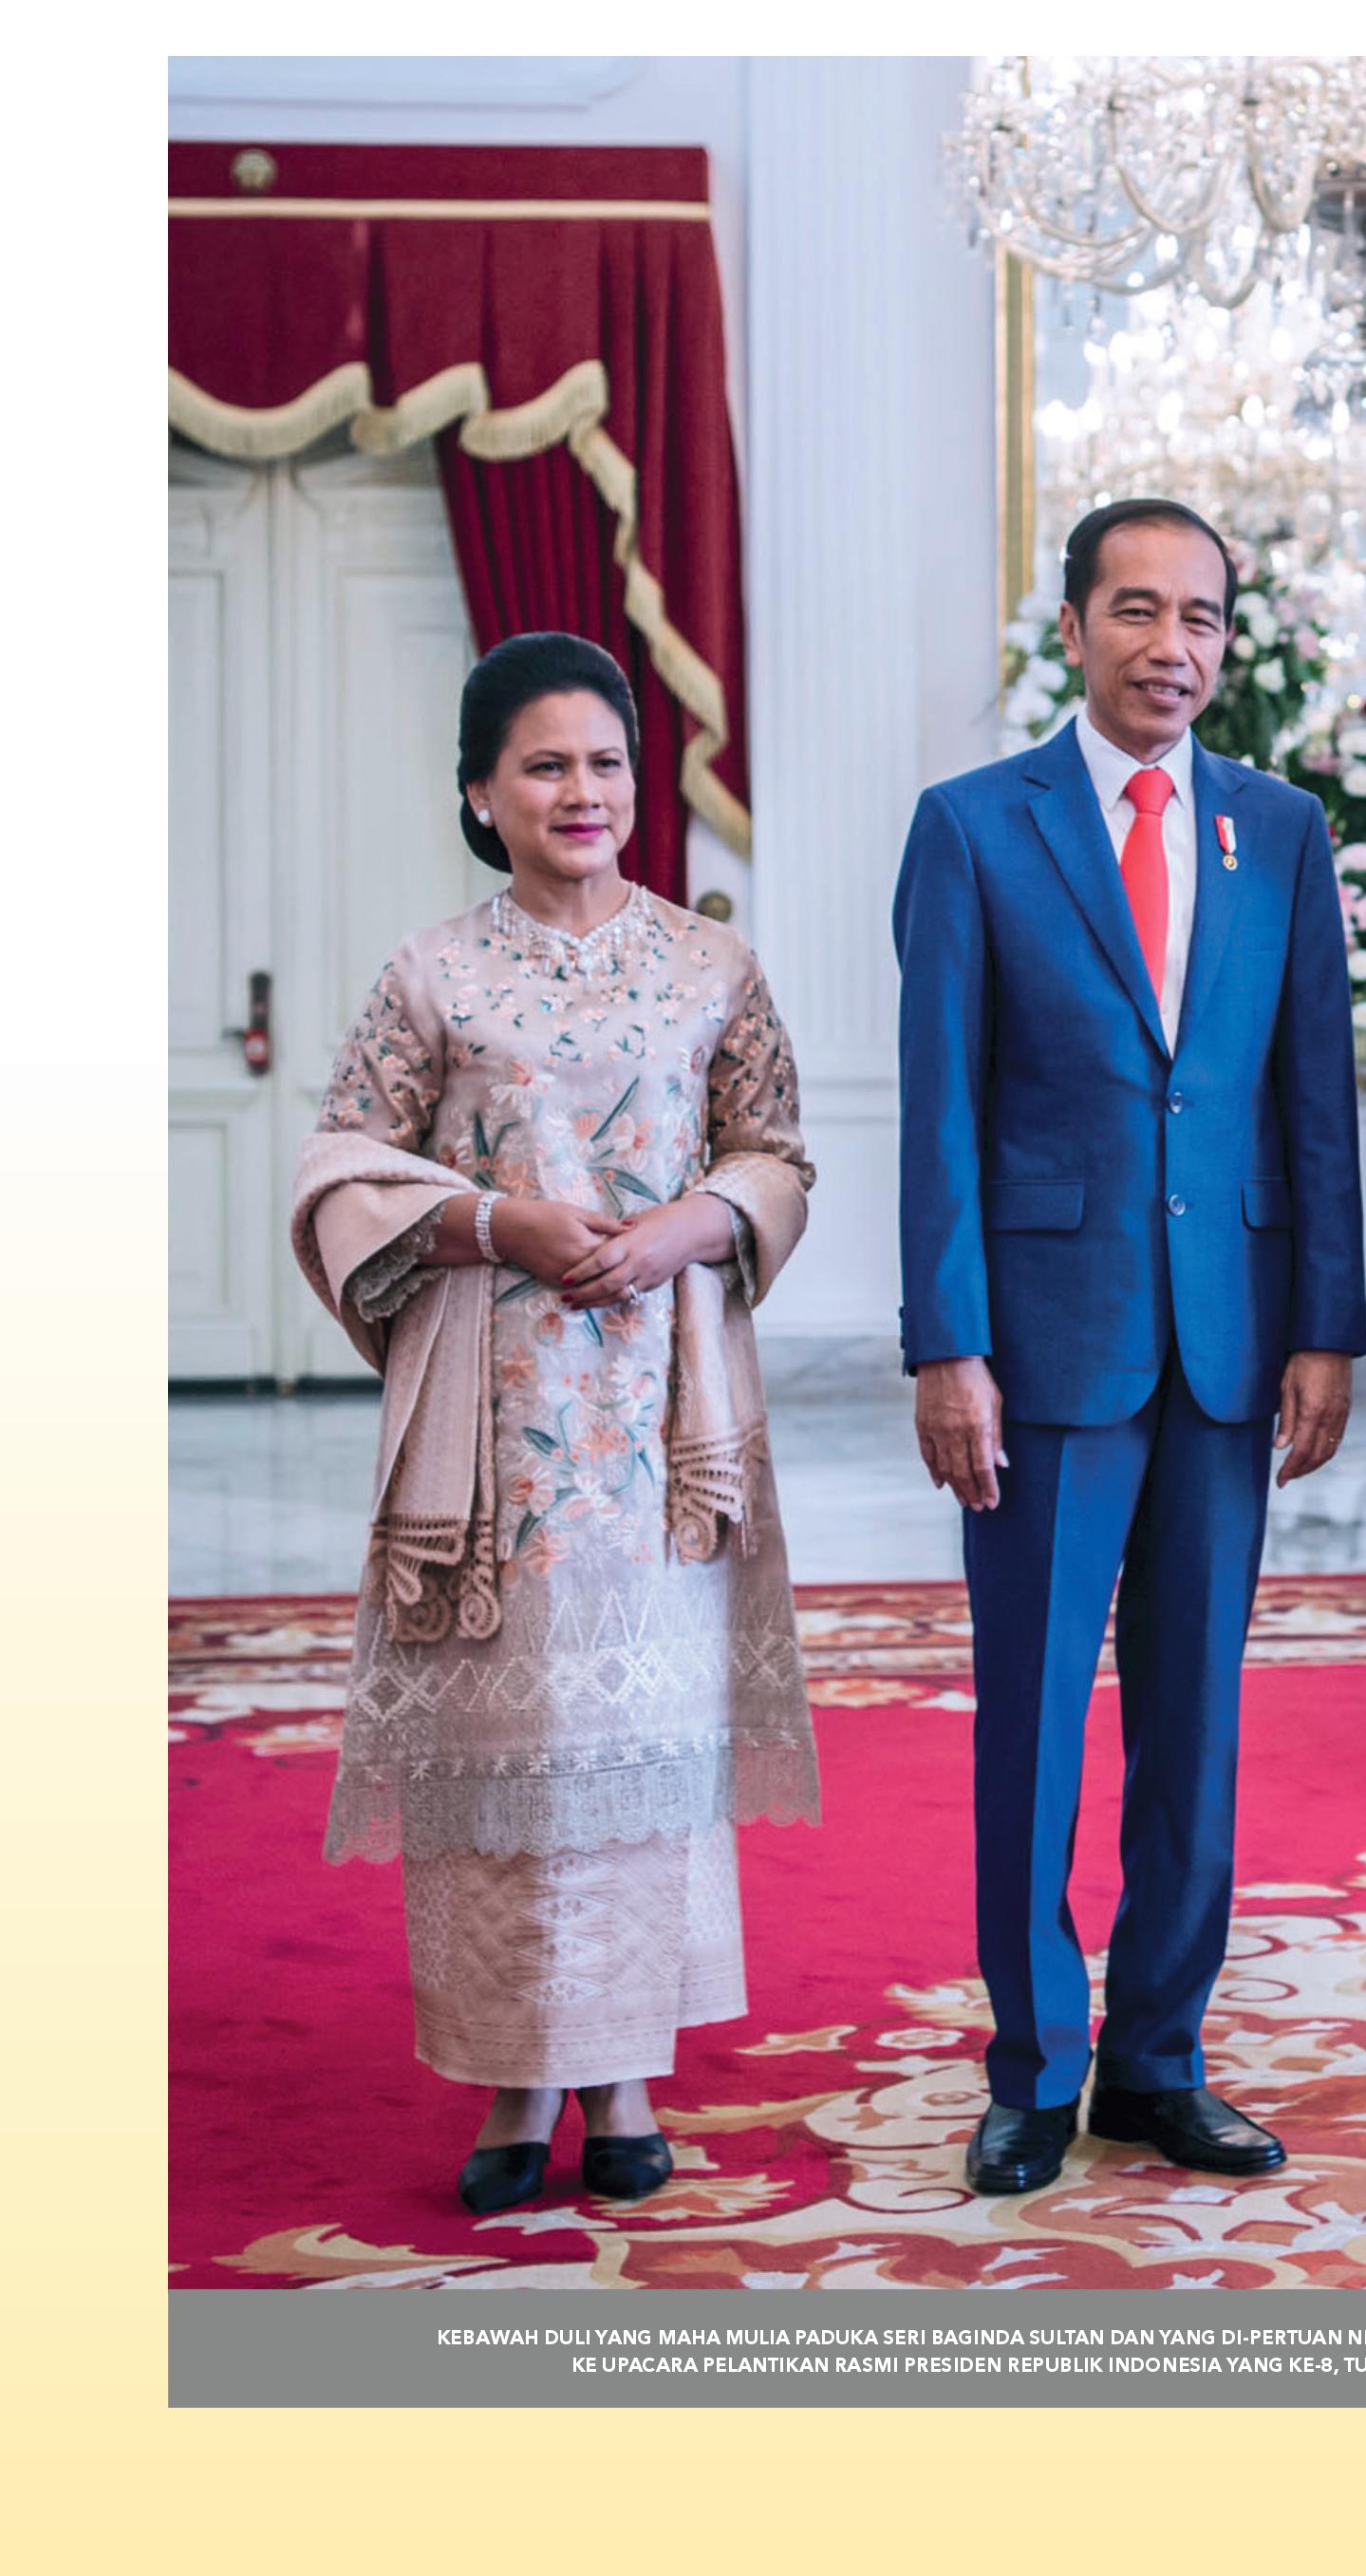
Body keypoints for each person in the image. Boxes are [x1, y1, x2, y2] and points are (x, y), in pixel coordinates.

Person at [291, 631, 820, 2215]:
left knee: (638, 1746)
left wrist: (693, 1228)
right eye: (543, 766)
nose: (581, 791)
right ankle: (516, 2084)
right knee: (509, 1751)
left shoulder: (711, 965)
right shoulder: (430, 976)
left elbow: (777, 1151)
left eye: (604, 762)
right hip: (493, 1425)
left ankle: (626, 2078)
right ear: (480, 793)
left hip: (664, 1422)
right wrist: (487, 1223)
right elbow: (341, 1166)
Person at [893, 497, 1365, 2196]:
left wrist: (1327, 1327)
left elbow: (1312, 1092)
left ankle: (1161, 2057)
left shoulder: (1279, 832)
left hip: (1229, 1347)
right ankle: (1033, 2066)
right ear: (1076, 626)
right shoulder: (974, 827)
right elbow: (940, 1108)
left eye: (1204, 618)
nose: (1175, 647)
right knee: (1031, 1716)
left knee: (1197, 1720)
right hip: (1042, 1351)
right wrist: (948, 1345)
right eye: (1140, 611)